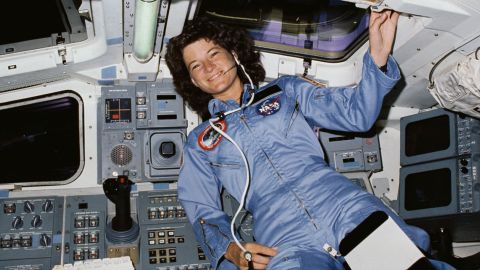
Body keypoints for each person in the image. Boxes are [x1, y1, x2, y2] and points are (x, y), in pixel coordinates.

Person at [166, 11, 454, 270]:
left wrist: (377, 58)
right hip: (283, 238)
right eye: (195, 66)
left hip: (342, 206)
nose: (208, 67)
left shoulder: (286, 91)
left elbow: (356, 115)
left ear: (232, 52)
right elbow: (201, 209)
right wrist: (230, 249)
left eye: (214, 53)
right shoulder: (200, 142)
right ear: (192, 81)